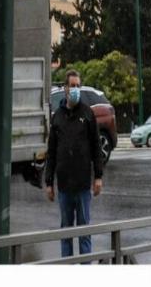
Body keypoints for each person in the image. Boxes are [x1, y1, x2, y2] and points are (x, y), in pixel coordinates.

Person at [44, 69, 103, 258]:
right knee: (66, 233)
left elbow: (96, 147)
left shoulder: (87, 114)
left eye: (78, 85)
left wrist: (98, 177)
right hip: (64, 186)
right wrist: (48, 182)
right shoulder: (57, 117)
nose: (76, 89)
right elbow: (51, 151)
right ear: (66, 88)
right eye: (73, 86)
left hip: (83, 185)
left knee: (84, 232)